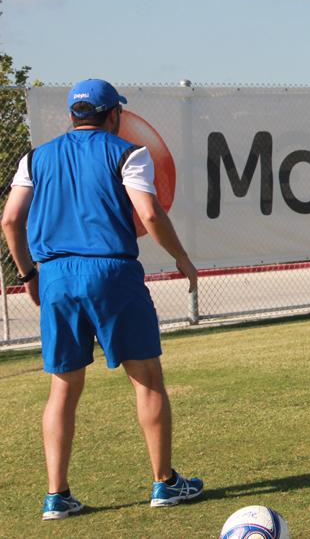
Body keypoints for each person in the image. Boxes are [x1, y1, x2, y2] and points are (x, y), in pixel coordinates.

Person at [1, 79, 204, 520]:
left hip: (56, 277)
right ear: (114, 115)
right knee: (146, 376)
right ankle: (165, 484)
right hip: (111, 271)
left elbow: (10, 219)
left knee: (63, 386)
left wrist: (28, 275)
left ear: (73, 116)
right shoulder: (127, 152)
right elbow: (149, 213)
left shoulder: (35, 158)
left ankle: (57, 496)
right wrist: (182, 258)